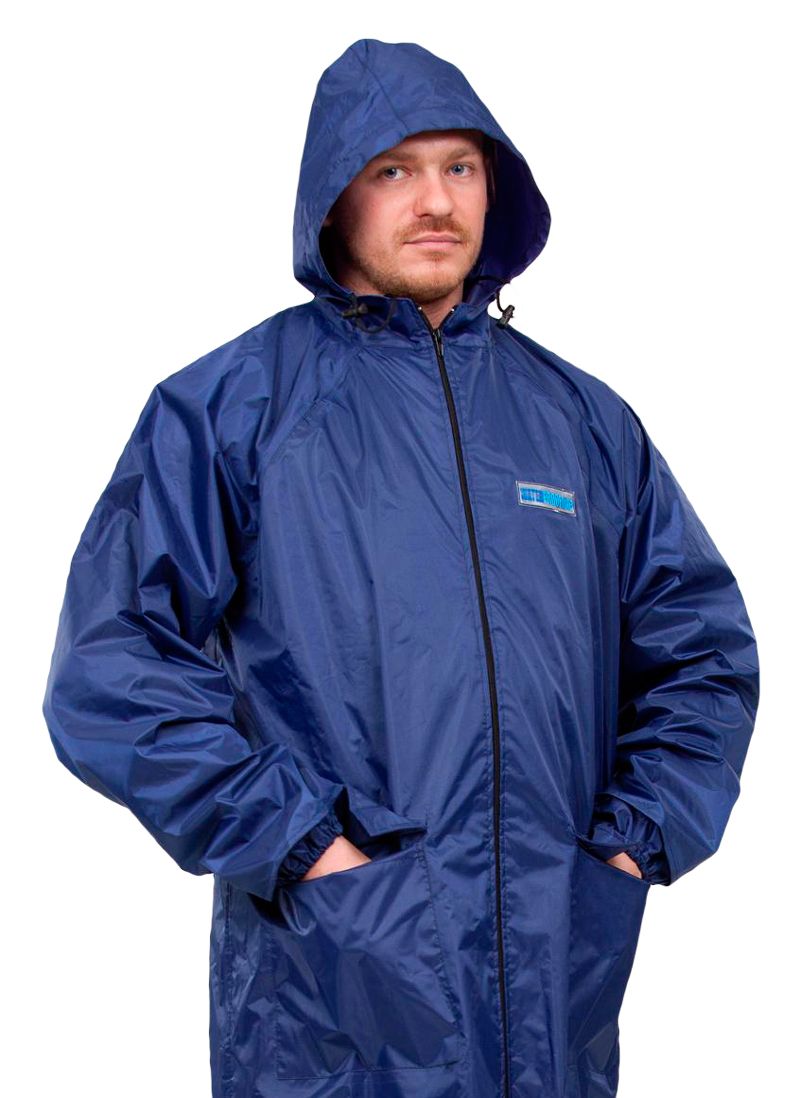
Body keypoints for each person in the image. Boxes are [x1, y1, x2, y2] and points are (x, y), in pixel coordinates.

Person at [41, 37, 760, 1098]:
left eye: (459, 167)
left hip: (553, 997)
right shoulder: (233, 409)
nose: (434, 201)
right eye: (393, 169)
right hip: (329, 1004)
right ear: (336, 198)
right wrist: (300, 846)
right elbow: (110, 665)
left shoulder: (582, 424)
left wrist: (625, 848)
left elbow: (701, 658)